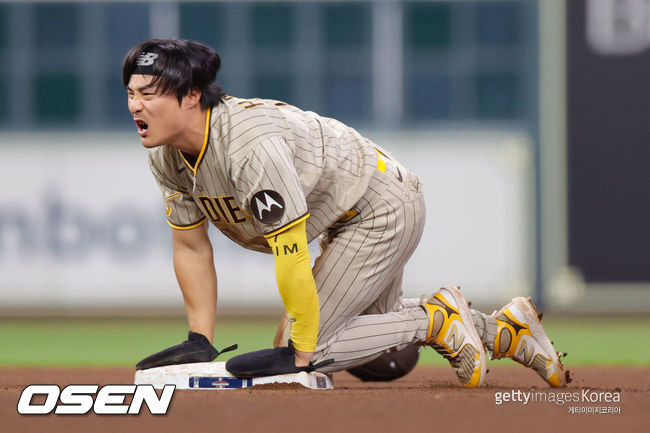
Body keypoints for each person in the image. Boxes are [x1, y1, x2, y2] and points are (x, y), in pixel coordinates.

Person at [123, 39, 569, 388]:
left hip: (378, 207)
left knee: (306, 348)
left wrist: (300, 354)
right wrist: (201, 341)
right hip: (348, 215)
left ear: (191, 97)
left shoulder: (246, 145)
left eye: (149, 94)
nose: (136, 105)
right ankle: (509, 332)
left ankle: (436, 319)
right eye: (131, 93)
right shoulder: (166, 155)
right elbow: (191, 247)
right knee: (350, 330)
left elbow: (290, 249)